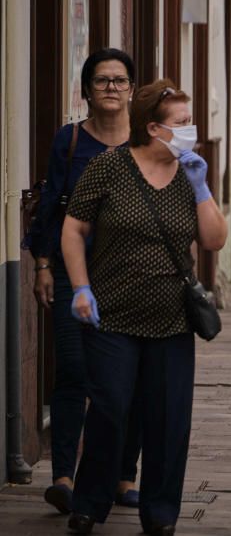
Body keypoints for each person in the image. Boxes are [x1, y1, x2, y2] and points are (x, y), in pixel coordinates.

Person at [62, 80, 228, 535]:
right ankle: (90, 501)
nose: (190, 130)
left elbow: (214, 240)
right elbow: (73, 229)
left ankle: (160, 513)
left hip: (172, 319)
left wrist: (201, 187)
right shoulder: (109, 168)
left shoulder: (188, 173)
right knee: (111, 408)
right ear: (152, 128)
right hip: (112, 314)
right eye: (180, 123)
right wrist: (81, 288)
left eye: (191, 121)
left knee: (169, 420)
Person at [23, 49, 142, 515]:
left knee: (127, 381)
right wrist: (42, 265)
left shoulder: (147, 142)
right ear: (86, 90)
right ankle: (64, 477)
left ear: (132, 88)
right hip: (76, 276)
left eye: (119, 80)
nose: (111, 88)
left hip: (133, 280)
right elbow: (52, 204)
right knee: (73, 373)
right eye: (101, 81)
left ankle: (122, 475)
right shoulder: (70, 141)